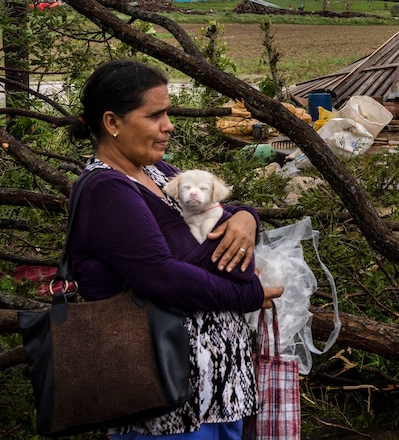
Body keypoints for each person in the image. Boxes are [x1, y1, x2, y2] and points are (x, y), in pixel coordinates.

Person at [66, 59, 284, 440]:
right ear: (112, 123)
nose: (168, 125)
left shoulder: (157, 171)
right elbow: (163, 278)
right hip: (165, 405)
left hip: (215, 391)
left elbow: (216, 212)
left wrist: (247, 217)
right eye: (155, 115)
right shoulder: (106, 191)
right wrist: (249, 294)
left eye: (167, 113)